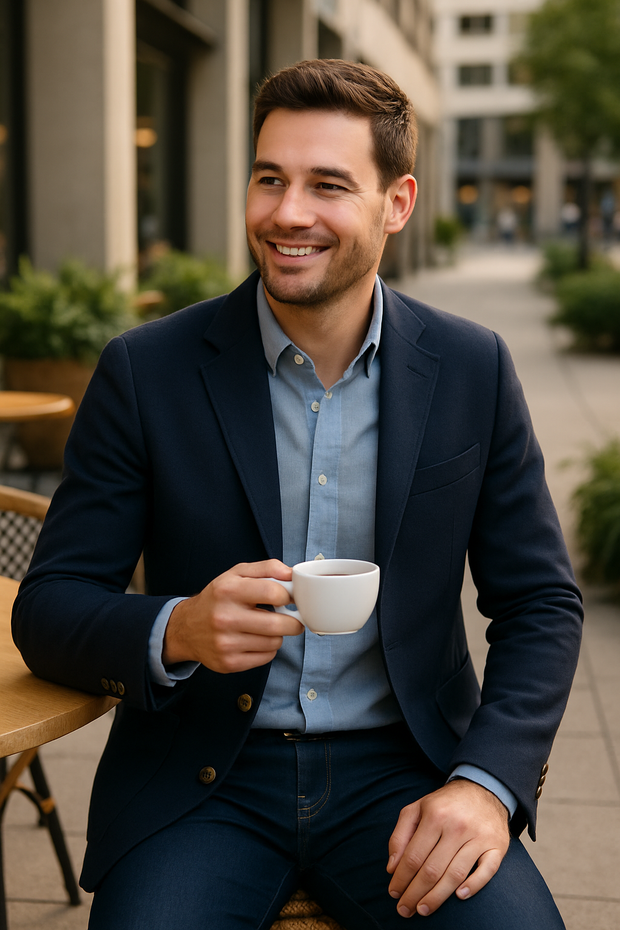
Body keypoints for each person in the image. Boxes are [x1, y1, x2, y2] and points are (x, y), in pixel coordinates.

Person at [13, 59, 582, 929]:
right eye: (269, 178)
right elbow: (48, 607)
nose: (287, 213)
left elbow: (540, 602)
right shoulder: (145, 371)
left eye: (327, 184)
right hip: (202, 783)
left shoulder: (473, 369)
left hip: (407, 771)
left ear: (397, 203)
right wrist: (179, 628)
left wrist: (485, 785)